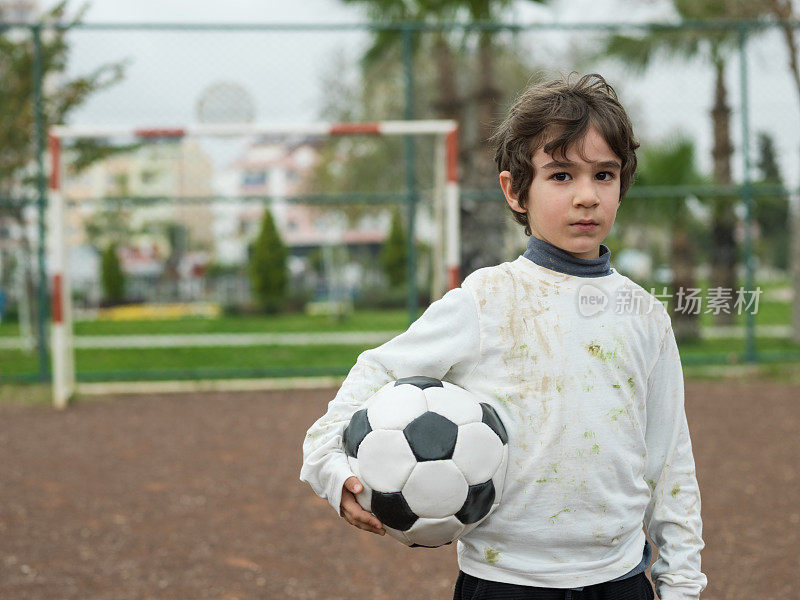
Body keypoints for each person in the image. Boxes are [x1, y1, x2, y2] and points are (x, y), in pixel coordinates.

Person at [300, 72, 706, 600]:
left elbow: (670, 458)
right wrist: (329, 467)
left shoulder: (645, 315)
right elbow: (376, 372)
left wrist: (681, 584)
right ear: (516, 191)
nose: (587, 196)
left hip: (621, 579)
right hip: (504, 582)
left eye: (604, 175)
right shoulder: (486, 300)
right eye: (561, 176)